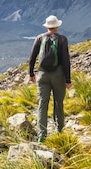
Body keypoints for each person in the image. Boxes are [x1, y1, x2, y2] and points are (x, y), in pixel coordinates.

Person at [28, 15, 72, 143]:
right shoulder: (62, 39)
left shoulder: (39, 38)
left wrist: (31, 73)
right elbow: (65, 60)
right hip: (58, 74)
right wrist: (68, 80)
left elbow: (32, 58)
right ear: (57, 26)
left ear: (47, 27)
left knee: (43, 103)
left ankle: (42, 134)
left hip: (42, 74)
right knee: (58, 102)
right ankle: (59, 130)